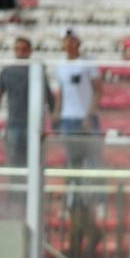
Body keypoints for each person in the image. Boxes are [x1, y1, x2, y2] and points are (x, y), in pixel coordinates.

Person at [0, 36, 55, 166]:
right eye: (17, 49)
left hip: (34, 124)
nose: (20, 52)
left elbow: (48, 96)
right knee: (15, 162)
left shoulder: (37, 71)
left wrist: (53, 119)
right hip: (14, 123)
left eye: (23, 49)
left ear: (30, 51)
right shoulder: (7, 71)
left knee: (35, 162)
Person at [54, 28, 103, 169]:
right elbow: (62, 91)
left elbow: (98, 90)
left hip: (86, 117)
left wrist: (89, 114)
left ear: (78, 42)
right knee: (73, 160)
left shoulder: (88, 63)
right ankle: (74, 184)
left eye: (72, 40)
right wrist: (57, 112)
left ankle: (94, 183)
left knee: (94, 159)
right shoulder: (60, 65)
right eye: (66, 40)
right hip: (68, 118)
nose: (69, 43)